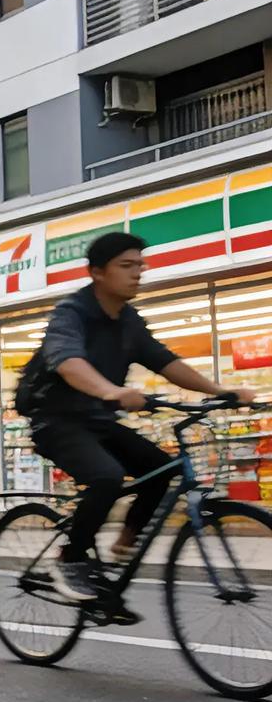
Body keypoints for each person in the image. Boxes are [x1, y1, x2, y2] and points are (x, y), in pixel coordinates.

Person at [26, 232, 255, 601]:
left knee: (161, 471)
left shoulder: (129, 321)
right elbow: (68, 362)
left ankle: (123, 546)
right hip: (56, 420)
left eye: (141, 265)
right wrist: (111, 392)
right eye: (127, 266)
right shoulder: (72, 313)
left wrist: (220, 392)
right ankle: (69, 560)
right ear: (97, 272)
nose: (138, 273)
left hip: (99, 421)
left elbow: (165, 362)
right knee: (107, 477)